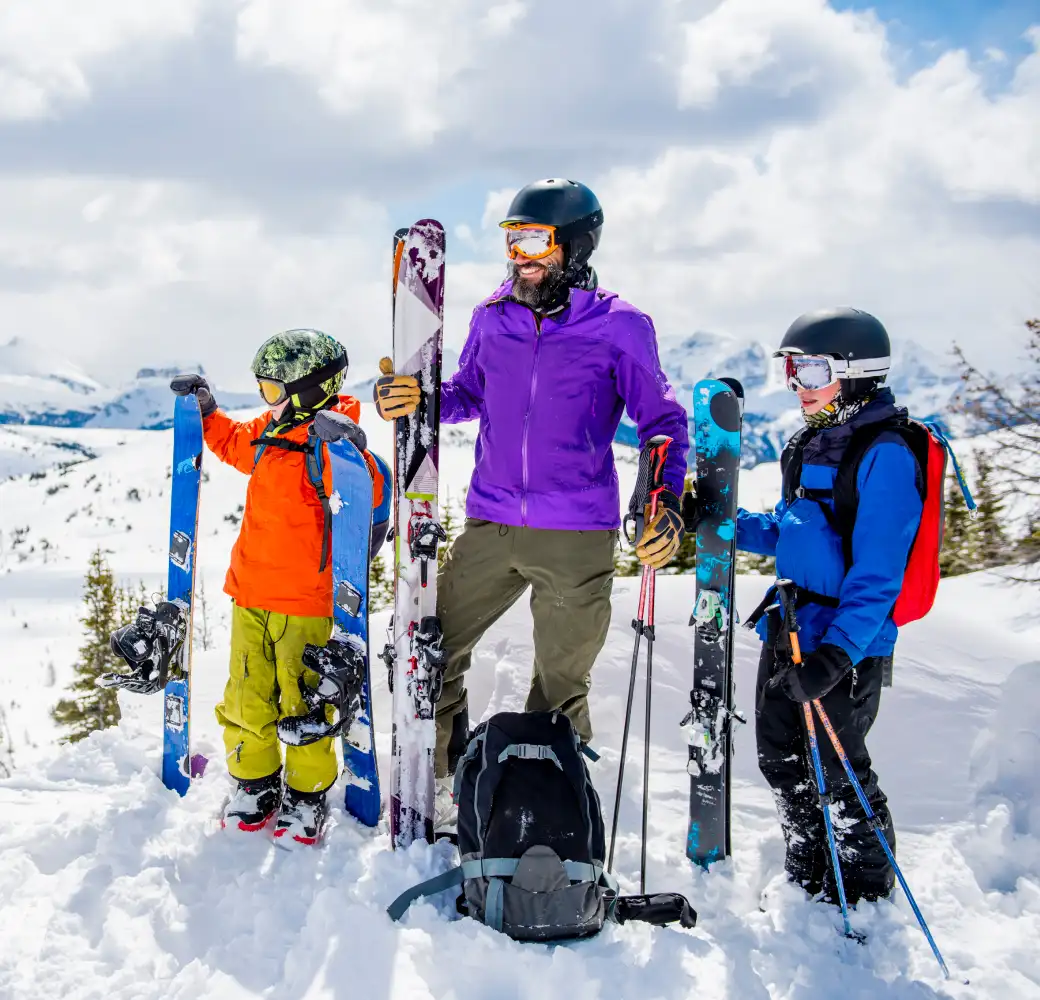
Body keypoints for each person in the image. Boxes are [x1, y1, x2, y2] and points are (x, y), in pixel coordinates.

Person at [375, 178, 690, 829]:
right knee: (433, 651)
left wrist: (661, 500)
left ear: (572, 246)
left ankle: (552, 812)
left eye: (533, 242)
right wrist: (419, 397)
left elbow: (661, 422)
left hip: (577, 536)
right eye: (510, 241)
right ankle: (439, 781)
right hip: (491, 524)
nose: (518, 256)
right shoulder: (494, 317)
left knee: (559, 685)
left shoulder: (618, 326)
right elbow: (467, 392)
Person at [728, 307, 922, 904]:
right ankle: (810, 870)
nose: (797, 385)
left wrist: (838, 654)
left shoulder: (885, 453)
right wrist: (723, 525)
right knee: (780, 758)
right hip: (789, 629)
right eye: (792, 368)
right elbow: (796, 528)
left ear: (856, 371)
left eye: (811, 370)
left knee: (838, 772)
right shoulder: (813, 442)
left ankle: (863, 887)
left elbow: (878, 572)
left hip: (847, 640)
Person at [172, 329, 385, 845]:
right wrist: (207, 412)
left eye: (274, 390)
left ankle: (307, 795)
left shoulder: (332, 443)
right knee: (246, 699)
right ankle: (254, 784)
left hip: (304, 604)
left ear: (312, 388)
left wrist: (355, 454)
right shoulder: (270, 432)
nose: (268, 402)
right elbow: (229, 441)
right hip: (250, 595)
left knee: (302, 703)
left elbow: (370, 504)